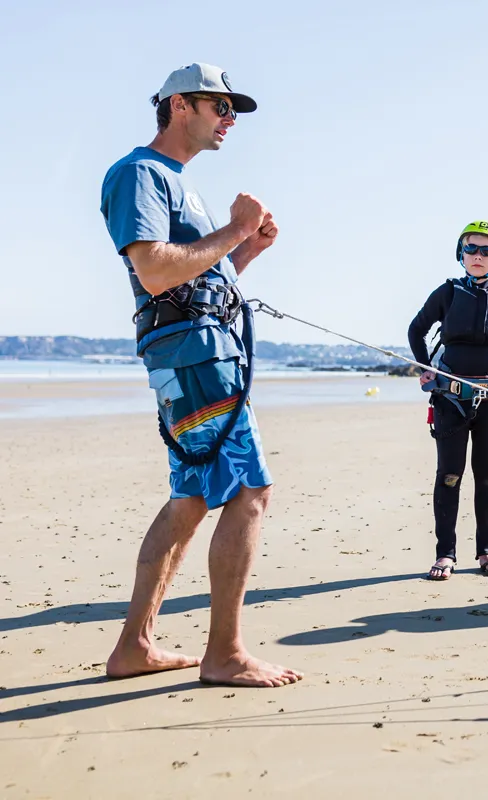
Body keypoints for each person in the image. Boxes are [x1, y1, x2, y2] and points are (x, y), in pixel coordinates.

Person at [98, 63, 301, 687]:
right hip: (193, 357)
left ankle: (135, 646)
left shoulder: (178, 182)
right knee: (248, 491)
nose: (230, 120)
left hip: (197, 350)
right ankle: (226, 654)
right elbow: (157, 271)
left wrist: (246, 250)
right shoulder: (141, 173)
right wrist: (235, 227)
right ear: (180, 105)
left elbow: (198, 276)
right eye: (221, 107)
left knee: (191, 499)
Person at [407, 221, 488, 580]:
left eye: (487, 251)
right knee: (449, 474)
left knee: (487, 475)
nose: (478, 256)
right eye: (471, 249)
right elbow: (417, 329)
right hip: (450, 399)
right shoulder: (447, 293)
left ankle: (487, 552)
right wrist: (425, 368)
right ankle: (445, 554)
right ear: (460, 254)